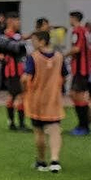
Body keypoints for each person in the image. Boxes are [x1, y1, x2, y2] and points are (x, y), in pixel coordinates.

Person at [21, 30, 64, 171]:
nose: (32, 44)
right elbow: (65, 75)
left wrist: (24, 88)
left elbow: (26, 78)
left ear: (42, 41)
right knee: (55, 130)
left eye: (34, 41)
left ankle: (41, 161)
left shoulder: (33, 57)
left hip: (36, 100)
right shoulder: (59, 57)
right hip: (54, 99)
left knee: (39, 131)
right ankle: (55, 160)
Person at [66, 10, 91, 135]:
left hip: (80, 69)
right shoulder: (85, 31)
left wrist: (63, 55)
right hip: (83, 68)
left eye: (70, 18)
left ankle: (84, 126)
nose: (69, 21)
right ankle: (83, 125)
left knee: (78, 96)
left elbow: (76, 48)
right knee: (74, 94)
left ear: (74, 18)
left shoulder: (77, 31)